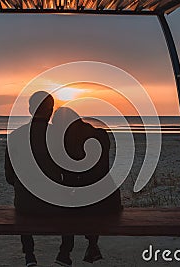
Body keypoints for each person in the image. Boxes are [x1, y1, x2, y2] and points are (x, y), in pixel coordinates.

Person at [5, 91, 74, 267]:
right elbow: (69, 175)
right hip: (55, 205)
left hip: (25, 205)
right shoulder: (60, 137)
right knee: (72, 202)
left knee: (24, 195)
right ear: (51, 110)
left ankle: (29, 255)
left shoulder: (14, 136)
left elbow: (9, 177)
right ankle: (65, 254)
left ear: (30, 109)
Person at [50, 107, 123, 265]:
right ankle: (92, 244)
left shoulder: (64, 145)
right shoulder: (101, 135)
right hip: (109, 201)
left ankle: (65, 250)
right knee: (90, 196)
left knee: (68, 204)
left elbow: (67, 178)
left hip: (88, 202)